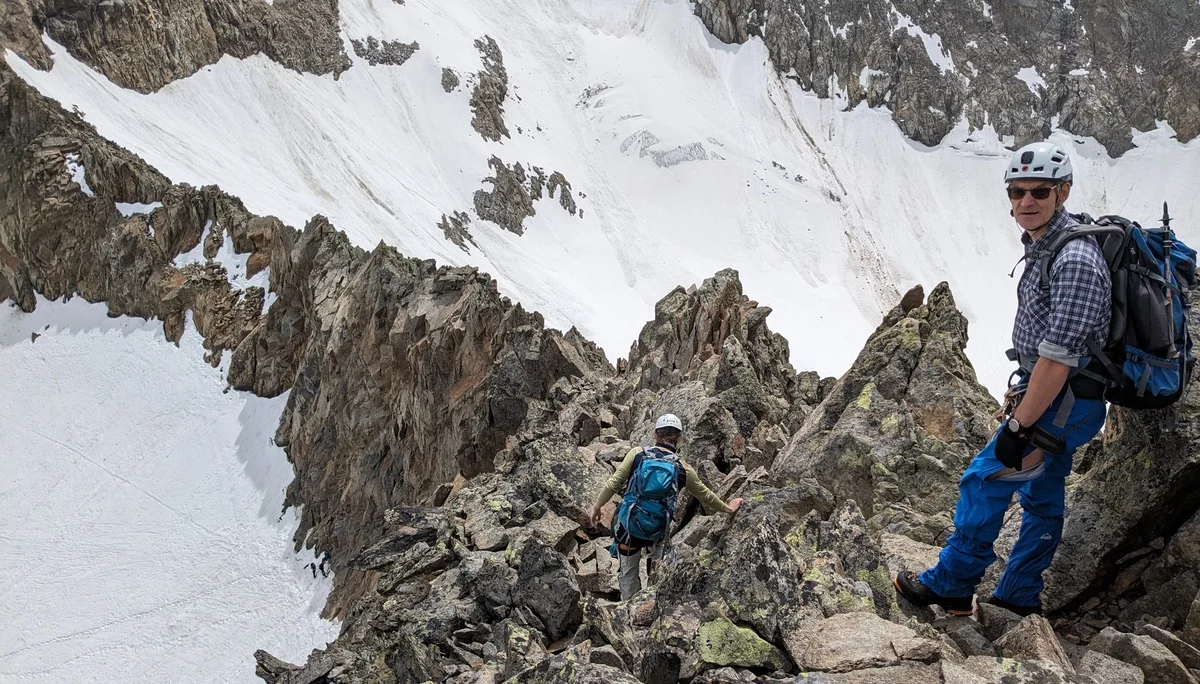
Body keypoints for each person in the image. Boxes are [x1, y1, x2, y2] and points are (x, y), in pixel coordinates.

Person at [894, 141, 1111, 616]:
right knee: (1042, 494)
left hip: (1063, 400)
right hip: (1062, 396)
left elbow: (1058, 359)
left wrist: (1020, 425)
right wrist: (1021, 393)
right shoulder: (1046, 247)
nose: (1026, 201)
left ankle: (952, 583)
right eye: (1017, 192)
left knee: (984, 479)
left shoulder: (1073, 259)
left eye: (1039, 191)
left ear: (1064, 192)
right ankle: (1018, 596)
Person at [589, 413, 744, 600]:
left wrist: (597, 506)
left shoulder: (637, 454)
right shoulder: (683, 468)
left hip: (629, 527)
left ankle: (629, 611)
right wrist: (728, 508)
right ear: (679, 437)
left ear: (656, 434)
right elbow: (706, 496)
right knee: (657, 573)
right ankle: (650, 608)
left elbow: (614, 482)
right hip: (658, 530)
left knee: (628, 573)